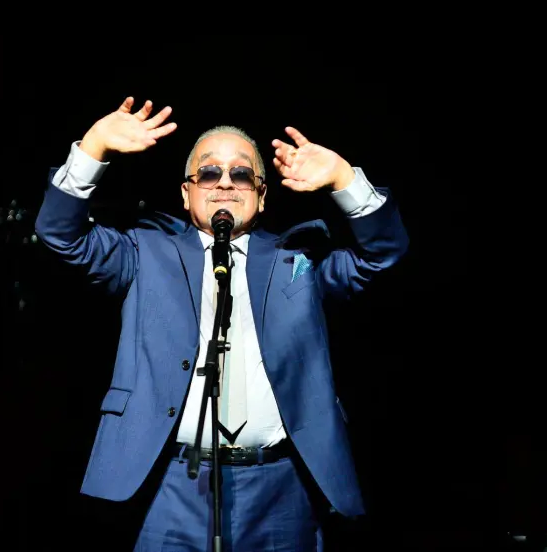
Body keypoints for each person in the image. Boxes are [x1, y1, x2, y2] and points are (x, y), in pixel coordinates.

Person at [34, 96, 409, 551]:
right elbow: (61, 235)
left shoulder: (300, 259)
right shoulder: (144, 253)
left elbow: (383, 254)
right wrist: (93, 148)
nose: (225, 182)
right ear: (186, 192)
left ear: (262, 195)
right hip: (173, 485)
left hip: (282, 488)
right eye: (209, 172)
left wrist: (345, 179)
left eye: (242, 174)